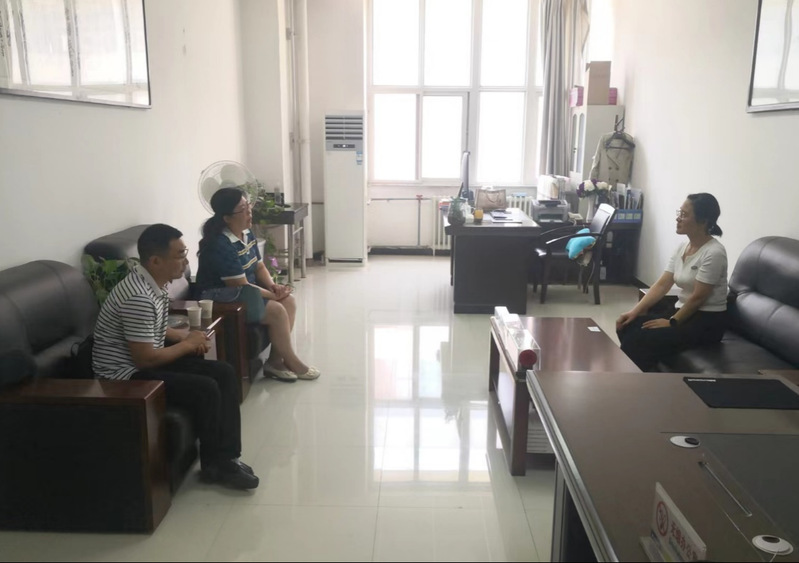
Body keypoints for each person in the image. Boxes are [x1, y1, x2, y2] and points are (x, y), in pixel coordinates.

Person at [92, 224, 259, 490]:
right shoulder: (138, 296)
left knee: (223, 372)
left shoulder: (151, 282)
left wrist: (182, 337)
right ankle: (217, 464)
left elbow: (152, 328)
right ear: (155, 261)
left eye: (185, 253)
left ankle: (226, 458)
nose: (186, 261)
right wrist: (188, 343)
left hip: (142, 362)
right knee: (206, 387)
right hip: (125, 377)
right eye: (180, 255)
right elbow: (145, 360)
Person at [195, 187, 320, 382]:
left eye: (248, 206)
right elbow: (240, 284)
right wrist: (273, 296)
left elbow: (259, 266)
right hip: (222, 297)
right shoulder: (221, 244)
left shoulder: (246, 233)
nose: (249, 212)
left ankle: (275, 362)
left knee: (289, 301)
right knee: (277, 310)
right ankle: (292, 361)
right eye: (242, 209)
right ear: (227, 218)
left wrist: (273, 287)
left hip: (245, 292)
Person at [616, 193, 727, 372]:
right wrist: (634, 312)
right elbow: (662, 284)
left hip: (706, 322)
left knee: (638, 340)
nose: (678, 218)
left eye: (684, 215)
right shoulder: (683, 247)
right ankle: (647, 375)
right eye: (679, 213)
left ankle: (638, 379)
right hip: (684, 312)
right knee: (626, 326)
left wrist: (672, 322)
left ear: (703, 221)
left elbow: (698, 297)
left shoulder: (714, 253)